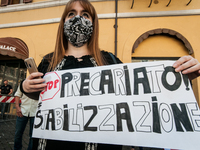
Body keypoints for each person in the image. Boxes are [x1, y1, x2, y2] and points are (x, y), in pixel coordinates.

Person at [19, 0, 200, 149]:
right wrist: (25, 87)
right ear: (63, 22)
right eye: (71, 14)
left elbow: (141, 95)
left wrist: (180, 78)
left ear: (93, 23)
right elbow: (39, 95)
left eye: (85, 15)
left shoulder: (110, 60)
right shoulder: (48, 62)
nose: (78, 19)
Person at [14, 85, 38, 150]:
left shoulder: (41, 83)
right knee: (18, 134)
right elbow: (17, 95)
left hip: (36, 113)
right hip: (23, 111)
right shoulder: (23, 83)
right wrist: (17, 107)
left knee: (33, 135)